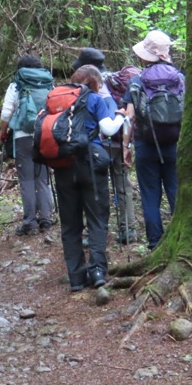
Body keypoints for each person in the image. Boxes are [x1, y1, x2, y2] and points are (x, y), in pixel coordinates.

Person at [53, 65, 126, 291]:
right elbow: (110, 129)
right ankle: (96, 271)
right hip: (91, 165)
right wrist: (122, 116)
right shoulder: (95, 99)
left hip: (64, 165)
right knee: (97, 219)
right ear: (94, 82)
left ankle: (75, 278)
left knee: (70, 224)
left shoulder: (58, 97)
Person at [122, 30, 184, 250]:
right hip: (176, 144)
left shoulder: (137, 81)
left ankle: (155, 243)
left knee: (150, 194)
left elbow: (129, 117)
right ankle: (180, 239)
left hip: (146, 144)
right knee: (176, 190)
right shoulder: (180, 79)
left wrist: (125, 146)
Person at [73, 48, 138, 245]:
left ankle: (94, 231)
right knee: (122, 185)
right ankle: (129, 229)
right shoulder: (116, 80)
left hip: (99, 143)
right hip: (121, 139)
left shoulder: (94, 85)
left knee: (94, 186)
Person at [0, 55, 55, 236]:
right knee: (42, 178)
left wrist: (3, 131)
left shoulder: (17, 83)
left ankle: (29, 222)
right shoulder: (47, 82)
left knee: (27, 179)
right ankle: (46, 219)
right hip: (45, 134)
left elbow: (7, 111)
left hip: (23, 136)